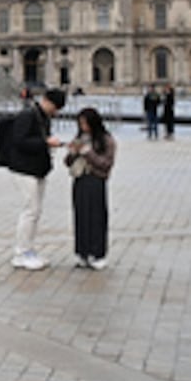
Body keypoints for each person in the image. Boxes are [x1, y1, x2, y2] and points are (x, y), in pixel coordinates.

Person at [8, 88, 66, 271]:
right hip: (24, 169)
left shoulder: (42, 117)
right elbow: (19, 140)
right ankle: (21, 252)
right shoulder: (27, 115)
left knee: (35, 211)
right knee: (30, 211)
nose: (55, 112)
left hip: (36, 169)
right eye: (55, 108)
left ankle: (28, 249)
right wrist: (45, 142)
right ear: (46, 101)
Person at [64, 107, 116, 270]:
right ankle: (82, 252)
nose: (83, 127)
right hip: (80, 179)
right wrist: (73, 152)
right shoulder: (80, 137)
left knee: (97, 217)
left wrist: (88, 153)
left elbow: (106, 164)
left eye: (85, 124)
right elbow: (67, 162)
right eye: (80, 124)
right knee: (81, 217)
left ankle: (98, 253)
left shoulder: (106, 140)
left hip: (96, 180)